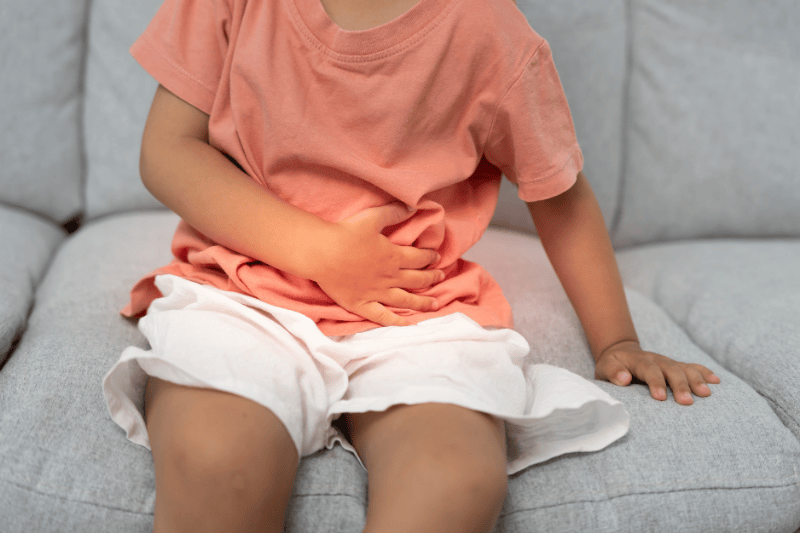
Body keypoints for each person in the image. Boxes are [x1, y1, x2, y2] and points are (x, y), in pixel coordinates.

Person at [102, 0, 721, 531]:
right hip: (246, 288)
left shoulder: (488, 30)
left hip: (416, 311)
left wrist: (617, 338)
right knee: (214, 457)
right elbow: (168, 151)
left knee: (453, 481)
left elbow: (561, 198)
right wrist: (320, 252)